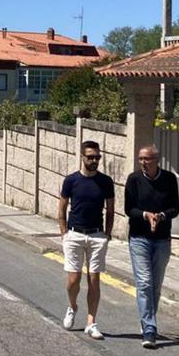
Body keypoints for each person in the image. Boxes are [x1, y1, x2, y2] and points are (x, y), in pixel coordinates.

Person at [58, 140, 115, 340]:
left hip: (97, 235)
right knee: (73, 280)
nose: (94, 160)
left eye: (97, 157)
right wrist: (64, 232)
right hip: (74, 234)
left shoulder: (106, 182)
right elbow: (62, 208)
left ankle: (91, 322)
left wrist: (107, 233)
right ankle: (72, 306)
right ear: (82, 157)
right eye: (90, 157)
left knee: (94, 279)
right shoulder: (71, 181)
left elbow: (110, 209)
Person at [124, 145, 179, 349]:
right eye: (140, 159)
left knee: (155, 285)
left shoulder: (169, 179)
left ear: (157, 159)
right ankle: (149, 328)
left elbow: (176, 208)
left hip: (162, 239)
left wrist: (161, 216)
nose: (143, 163)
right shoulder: (134, 179)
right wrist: (145, 215)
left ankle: (147, 320)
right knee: (145, 282)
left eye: (146, 159)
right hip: (139, 237)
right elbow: (129, 209)